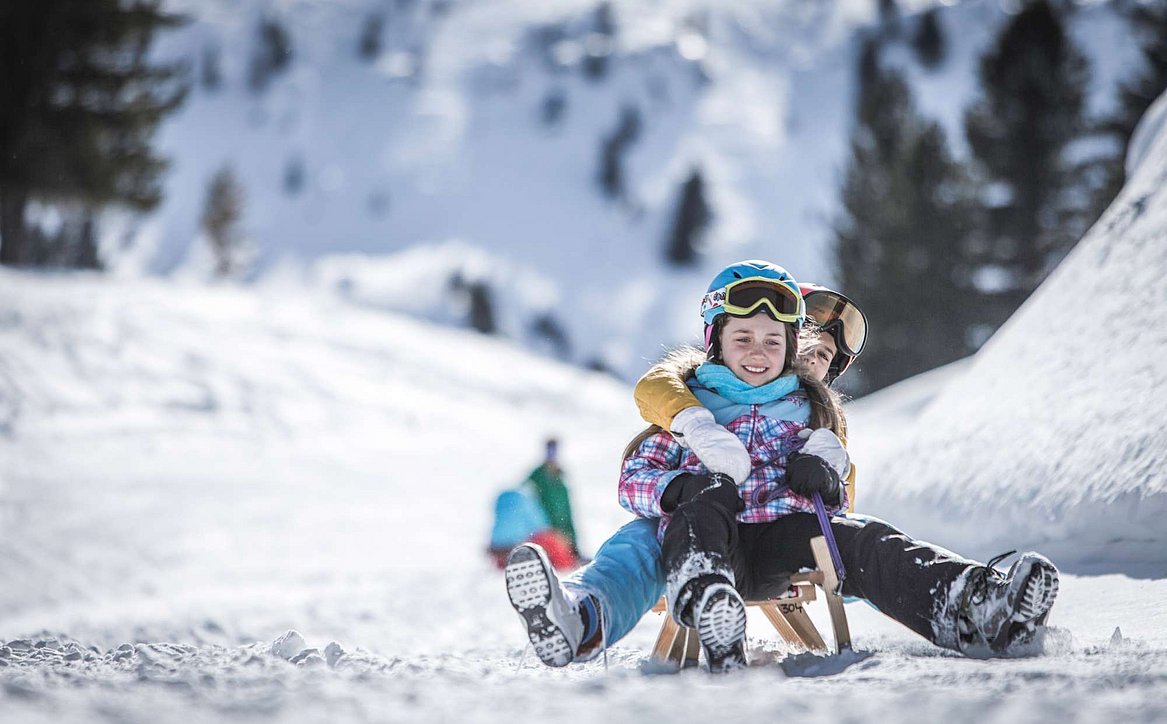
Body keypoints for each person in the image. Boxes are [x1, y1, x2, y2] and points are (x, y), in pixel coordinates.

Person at [504, 260, 1059, 672]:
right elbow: (635, 477)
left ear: (791, 349)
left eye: (773, 341)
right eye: (742, 337)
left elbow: (835, 494)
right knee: (638, 543)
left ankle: (973, 604)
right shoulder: (690, 406)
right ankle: (583, 618)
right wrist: (679, 488)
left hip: (776, 545)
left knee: (860, 538)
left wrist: (825, 477)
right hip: (696, 544)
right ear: (714, 343)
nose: (758, 350)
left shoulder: (805, 413)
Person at [522, 438, 582, 560]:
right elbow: (523, 500)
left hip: (561, 535)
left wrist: (573, 544)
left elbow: (567, 514)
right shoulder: (537, 476)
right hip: (542, 532)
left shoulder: (561, 480)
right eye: (549, 450)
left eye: (554, 450)